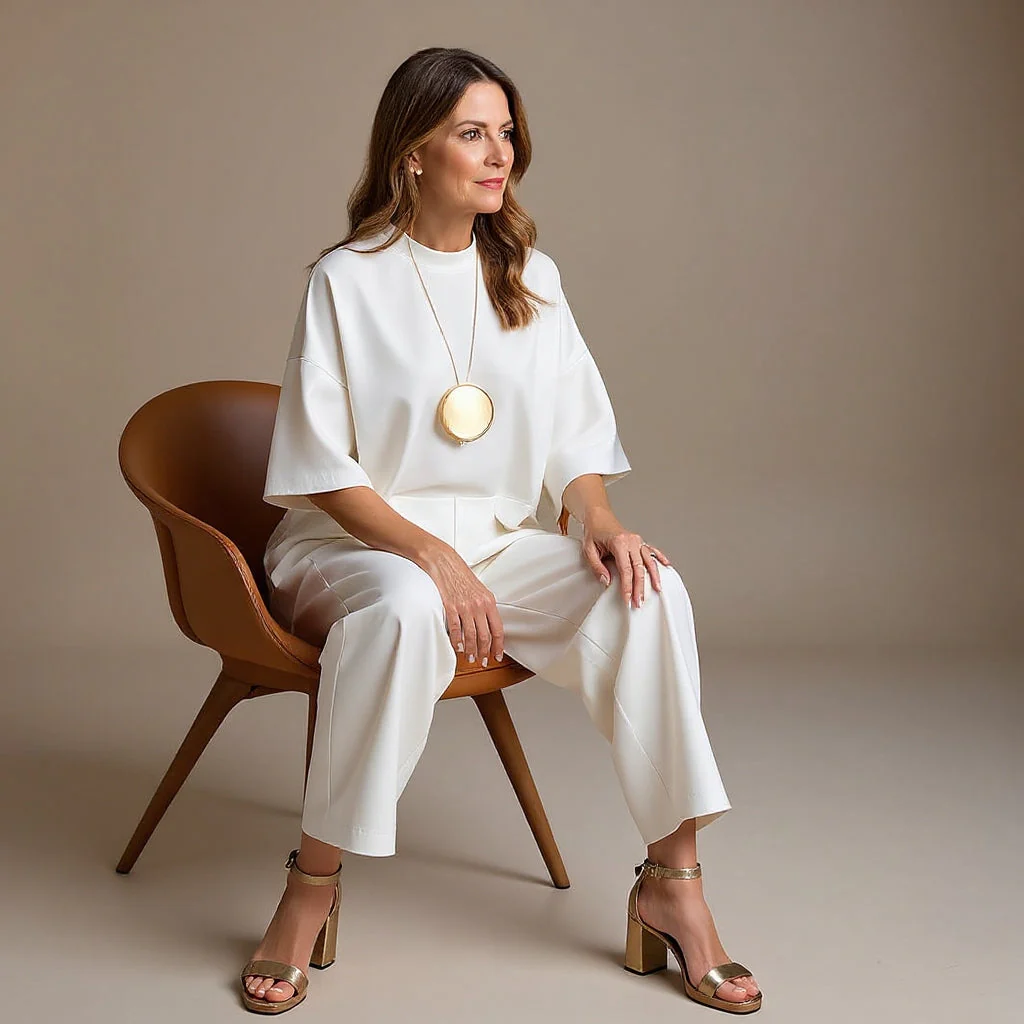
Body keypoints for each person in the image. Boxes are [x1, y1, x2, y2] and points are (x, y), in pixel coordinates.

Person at [240, 46, 761, 1016]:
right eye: (472, 133)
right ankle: (311, 883)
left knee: (649, 593)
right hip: (352, 548)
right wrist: (428, 554)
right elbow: (320, 466)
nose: (500, 155)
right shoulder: (347, 280)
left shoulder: (530, 276)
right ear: (411, 152)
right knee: (404, 606)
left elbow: (575, 437)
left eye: (507, 132)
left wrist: (601, 521)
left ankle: (673, 884)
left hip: (491, 544)